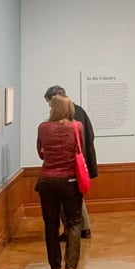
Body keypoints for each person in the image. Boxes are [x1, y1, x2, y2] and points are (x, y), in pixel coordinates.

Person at [36, 94, 85, 269]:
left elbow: (40, 153)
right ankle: (70, 268)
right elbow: (79, 150)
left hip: (47, 181)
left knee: (50, 224)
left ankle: (54, 267)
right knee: (73, 223)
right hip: (70, 180)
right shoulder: (76, 127)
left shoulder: (43, 127)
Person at [44, 86, 98, 239]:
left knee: (72, 199)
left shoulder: (70, 116)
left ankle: (78, 230)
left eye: (50, 103)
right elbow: (89, 136)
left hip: (72, 164)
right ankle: (81, 229)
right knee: (75, 198)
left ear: (56, 99)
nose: (49, 107)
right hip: (79, 162)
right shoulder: (78, 110)